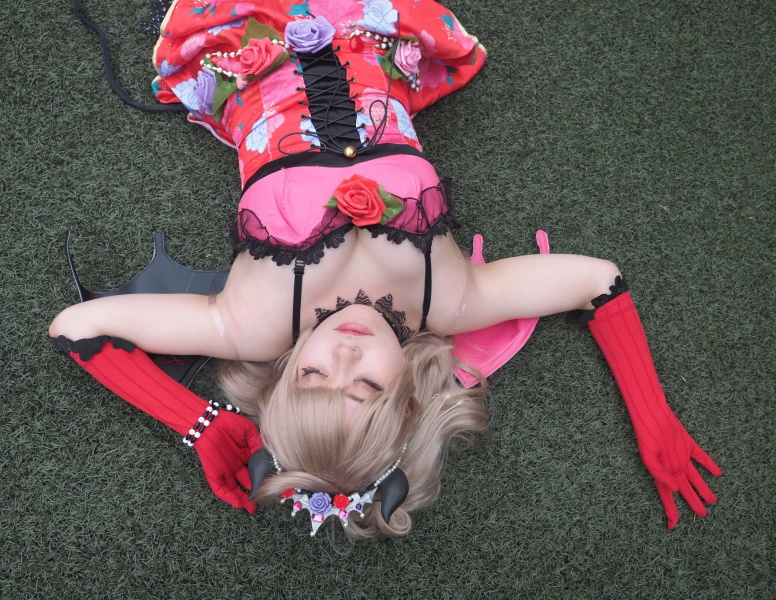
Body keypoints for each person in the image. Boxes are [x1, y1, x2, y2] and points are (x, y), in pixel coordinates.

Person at [50, 0, 721, 539]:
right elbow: (599, 280)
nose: (343, 354)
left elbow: (75, 327)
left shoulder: (249, 324)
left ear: (286, 379)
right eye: (366, 386)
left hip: (248, 39)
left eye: (313, 376)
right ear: (408, 397)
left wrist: (200, 424)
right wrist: (652, 416)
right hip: (371, 32)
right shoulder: (451, 300)